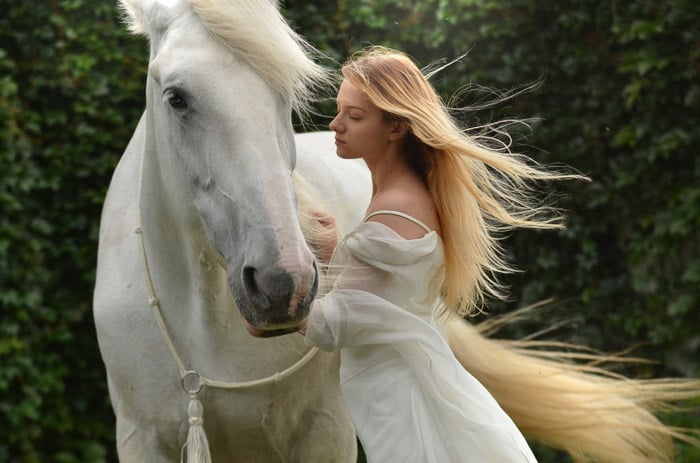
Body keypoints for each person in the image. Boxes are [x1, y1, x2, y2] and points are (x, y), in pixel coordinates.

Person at [297, 46, 700, 462]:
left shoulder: (394, 207)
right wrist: (330, 252)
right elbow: (382, 299)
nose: (335, 125)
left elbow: (330, 328)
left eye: (354, 116)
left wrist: (273, 306)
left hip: (405, 406)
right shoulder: (404, 194)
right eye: (339, 109)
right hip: (403, 392)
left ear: (397, 127)